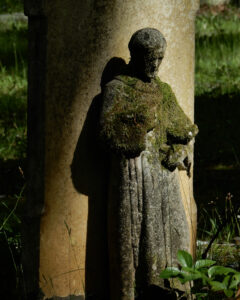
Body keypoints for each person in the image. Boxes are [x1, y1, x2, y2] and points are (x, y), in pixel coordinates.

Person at [99, 28, 198, 300]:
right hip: (134, 177)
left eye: (159, 59)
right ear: (135, 56)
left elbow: (184, 129)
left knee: (175, 231)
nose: (154, 65)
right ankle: (141, 290)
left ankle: (175, 288)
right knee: (139, 238)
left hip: (163, 175)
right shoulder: (117, 89)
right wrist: (140, 124)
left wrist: (178, 149)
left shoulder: (163, 91)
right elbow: (107, 134)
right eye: (149, 59)